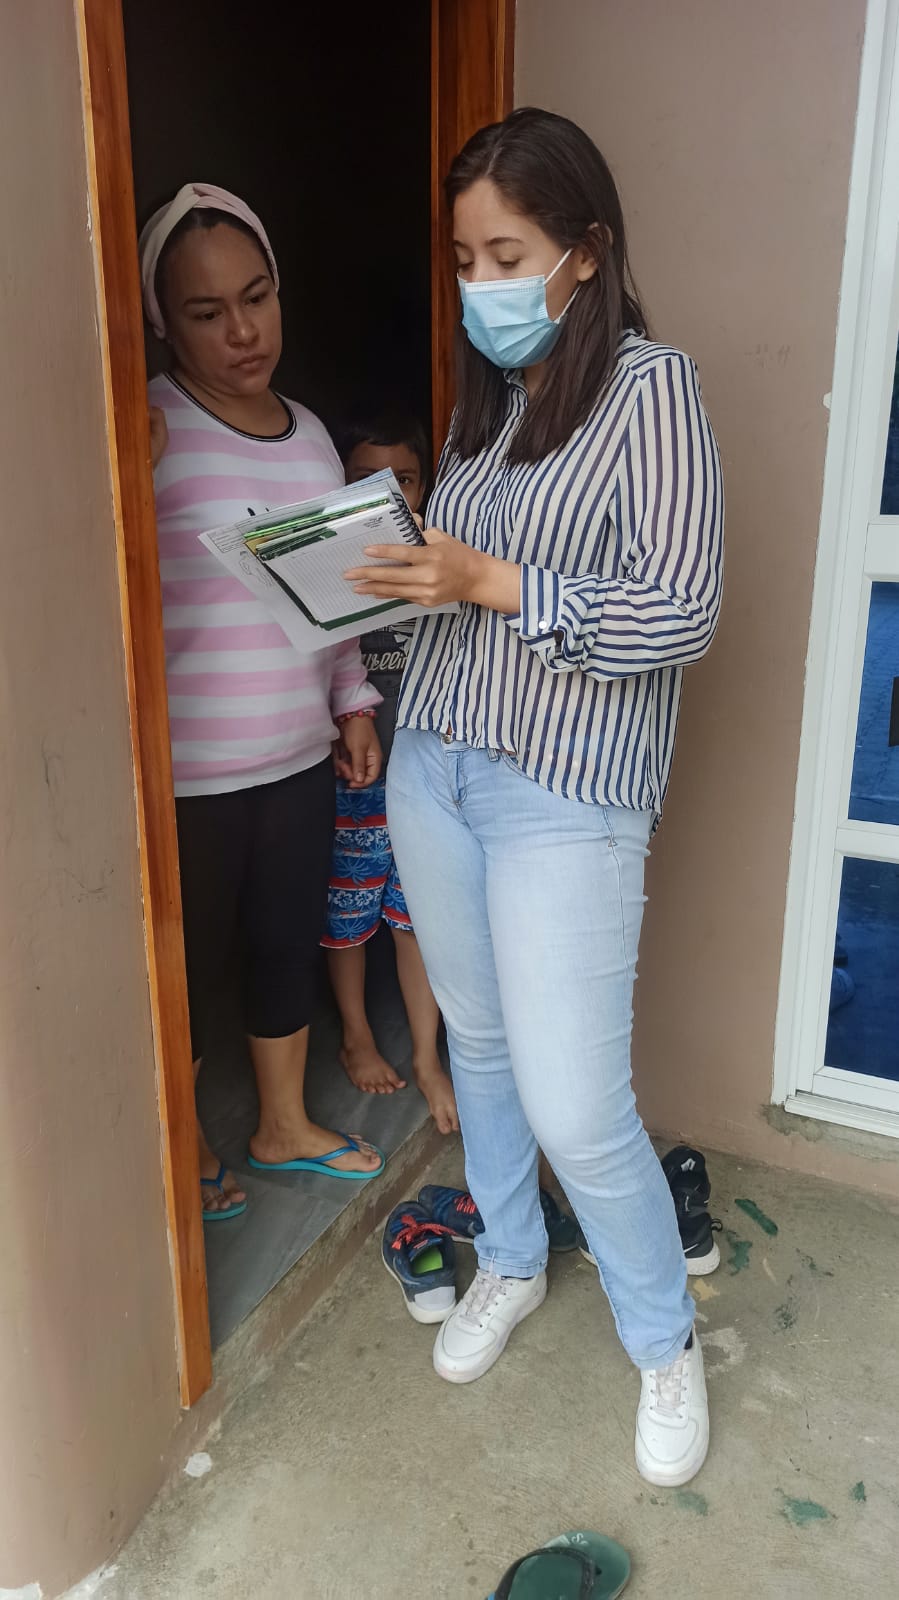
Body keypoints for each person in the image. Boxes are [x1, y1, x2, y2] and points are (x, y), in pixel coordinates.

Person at [346, 108, 724, 1487]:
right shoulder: (491, 405)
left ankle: (661, 1341)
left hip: (565, 786)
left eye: (505, 255)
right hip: (436, 761)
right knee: (486, 1047)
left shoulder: (650, 389)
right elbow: (457, 590)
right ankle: (508, 1256)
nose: (480, 283)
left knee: (575, 1101)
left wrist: (491, 580)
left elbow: (678, 610)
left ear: (585, 250)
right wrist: (378, 578)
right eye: (464, 259)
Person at [140, 182, 385, 1219]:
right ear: (163, 320)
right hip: (184, 774)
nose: (242, 332)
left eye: (256, 297)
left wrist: (354, 702)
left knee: (285, 940)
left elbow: (335, 594)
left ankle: (281, 1123)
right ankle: (184, 1147)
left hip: (294, 755)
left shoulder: (312, 436)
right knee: (190, 969)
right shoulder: (147, 425)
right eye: (206, 312)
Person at [321, 414, 459, 1135]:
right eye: (363, 481)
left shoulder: (443, 567)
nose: (384, 496)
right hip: (353, 780)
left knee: (416, 919)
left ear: (425, 486)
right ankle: (356, 1034)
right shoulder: (328, 575)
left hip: (426, 780)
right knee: (348, 914)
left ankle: (428, 1058)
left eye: (401, 480)